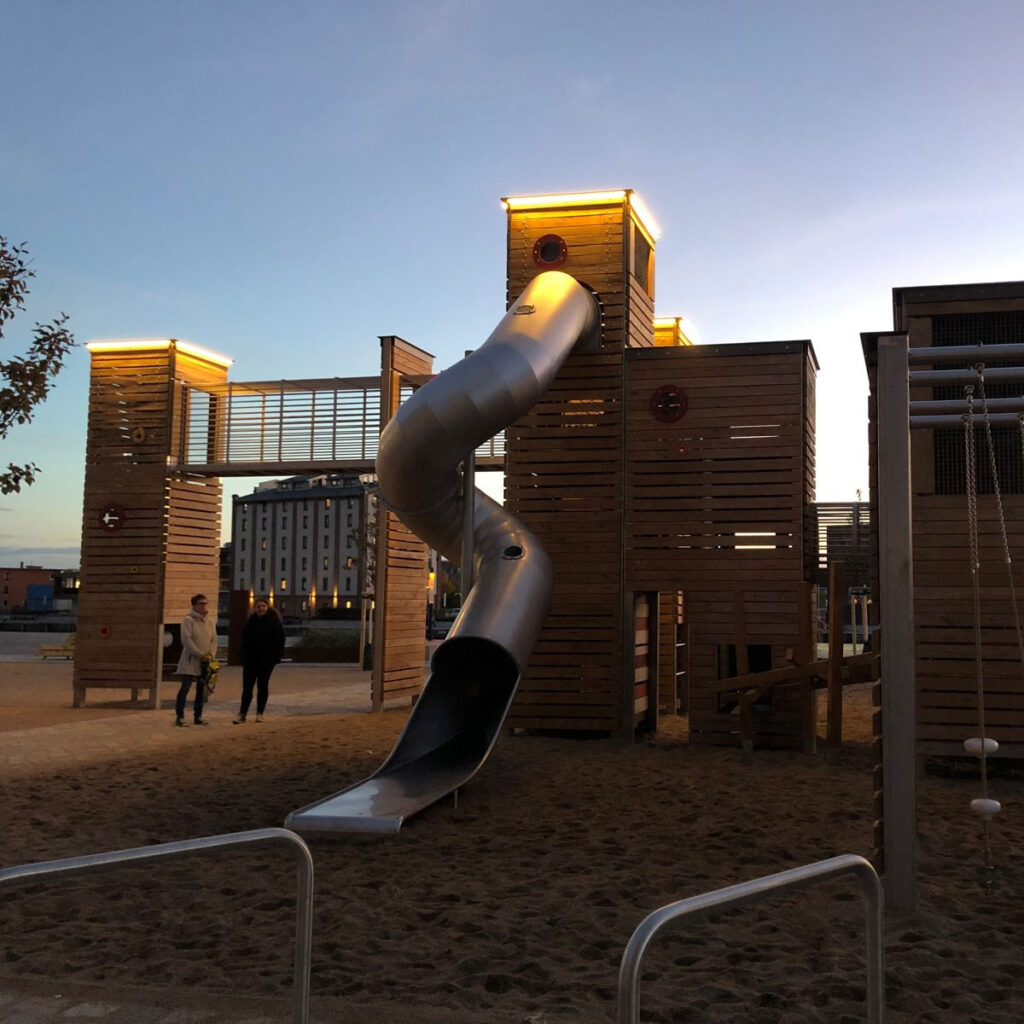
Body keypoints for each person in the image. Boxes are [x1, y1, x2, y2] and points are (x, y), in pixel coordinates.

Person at [234, 598, 285, 724]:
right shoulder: (250, 622)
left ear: (268, 607)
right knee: (247, 687)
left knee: (262, 686)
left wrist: (275, 658)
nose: (261, 608)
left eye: (263, 606)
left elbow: (280, 641)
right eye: (258, 606)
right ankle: (242, 713)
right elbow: (244, 641)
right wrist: (243, 656)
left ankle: (259, 713)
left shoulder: (274, 622)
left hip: (266, 660)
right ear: (254, 608)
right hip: (250, 660)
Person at [174, 593, 218, 727]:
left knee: (201, 690)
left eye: (205, 603)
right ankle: (180, 716)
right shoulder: (188, 620)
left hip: (205, 661)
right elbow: (186, 640)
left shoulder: (209, 621)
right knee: (185, 688)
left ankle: (198, 716)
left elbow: (214, 639)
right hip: (190, 660)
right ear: (194, 606)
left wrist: (211, 655)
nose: (204, 606)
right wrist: (199, 654)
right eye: (201, 604)